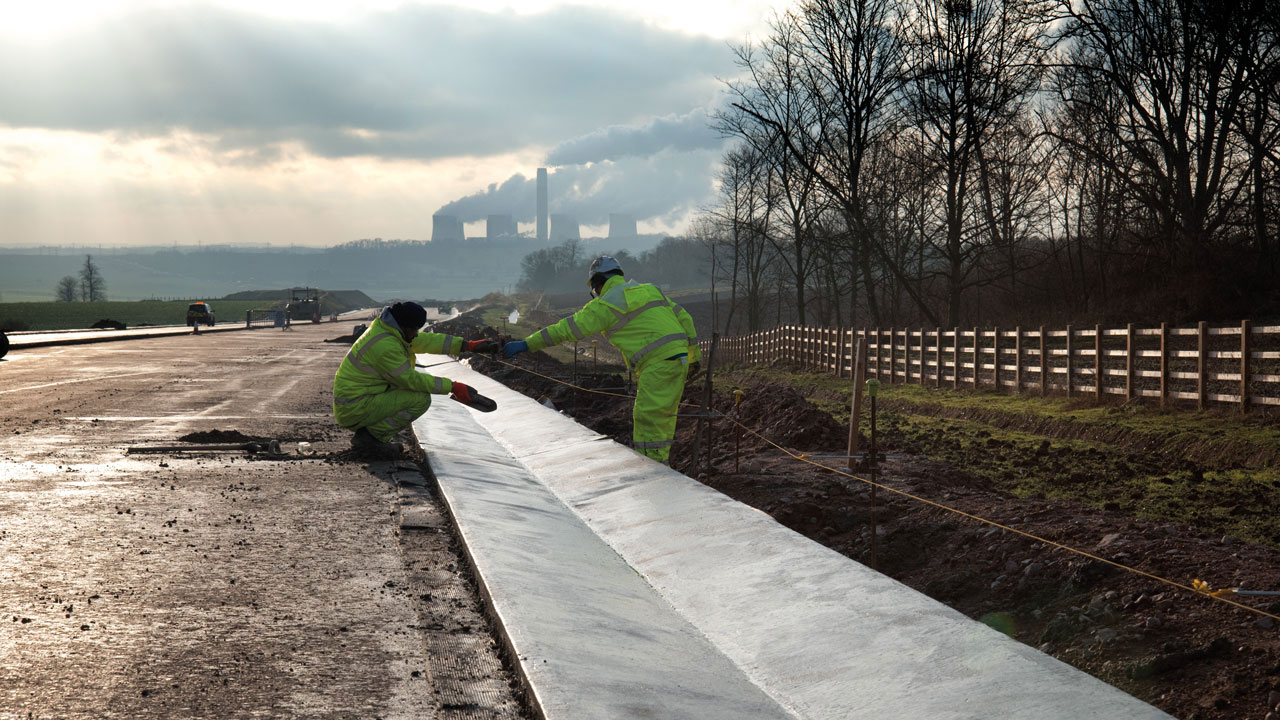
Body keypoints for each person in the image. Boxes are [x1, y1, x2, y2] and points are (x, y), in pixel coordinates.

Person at [502, 256, 700, 464]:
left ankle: (653, 466)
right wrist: (694, 357)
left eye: (594, 290)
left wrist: (527, 344)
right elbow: (684, 317)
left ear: (598, 283)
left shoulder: (605, 305)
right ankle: (661, 462)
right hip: (679, 359)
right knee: (663, 417)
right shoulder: (649, 290)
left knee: (647, 417)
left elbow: (565, 329)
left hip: (656, 364)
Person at [333, 302, 496, 455]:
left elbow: (428, 341)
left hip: (362, 400)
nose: (416, 333)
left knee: (410, 393)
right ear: (405, 326)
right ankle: (371, 438)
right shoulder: (385, 345)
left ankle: (372, 434)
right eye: (415, 329)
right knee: (419, 399)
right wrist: (453, 387)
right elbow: (411, 380)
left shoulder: (390, 332)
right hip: (355, 407)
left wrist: (467, 345)